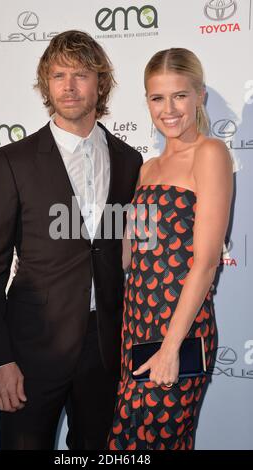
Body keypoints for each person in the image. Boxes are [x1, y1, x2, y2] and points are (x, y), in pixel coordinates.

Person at [0, 30, 142, 450]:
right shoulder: (13, 161)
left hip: (104, 350)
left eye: (81, 75)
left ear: (100, 83)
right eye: (58, 75)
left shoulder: (129, 160)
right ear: (46, 84)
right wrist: (1, 360)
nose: (68, 86)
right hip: (31, 350)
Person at [108, 48, 233, 450]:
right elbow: (133, 256)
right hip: (136, 325)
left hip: (180, 330)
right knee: (128, 443)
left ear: (199, 96)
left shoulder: (210, 154)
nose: (169, 109)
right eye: (157, 97)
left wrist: (170, 348)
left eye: (179, 95)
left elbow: (207, 262)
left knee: (158, 442)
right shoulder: (147, 168)